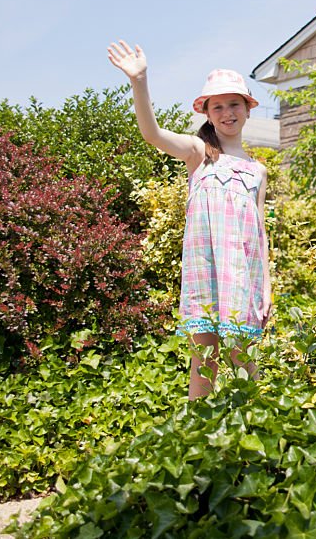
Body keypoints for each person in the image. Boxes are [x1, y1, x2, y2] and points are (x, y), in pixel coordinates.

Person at [107, 40, 272, 400]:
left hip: (244, 274)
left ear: (247, 109)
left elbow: (260, 233)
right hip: (205, 270)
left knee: (245, 360)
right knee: (205, 361)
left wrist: (267, 287)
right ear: (208, 114)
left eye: (234, 104)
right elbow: (152, 134)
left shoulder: (257, 170)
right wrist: (140, 81)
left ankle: (256, 431)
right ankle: (196, 442)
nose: (227, 112)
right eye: (218, 106)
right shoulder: (199, 154)